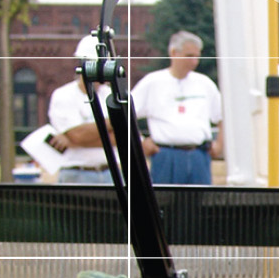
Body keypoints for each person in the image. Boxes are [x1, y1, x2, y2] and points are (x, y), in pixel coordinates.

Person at [47, 35, 155, 184]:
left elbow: (125, 138)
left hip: (110, 174)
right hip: (76, 174)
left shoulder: (112, 94)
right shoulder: (63, 95)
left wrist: (74, 141)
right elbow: (77, 135)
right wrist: (114, 122)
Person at [131, 31, 224, 185]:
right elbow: (126, 115)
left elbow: (222, 118)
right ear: (174, 53)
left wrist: (219, 144)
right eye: (189, 56)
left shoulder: (205, 84)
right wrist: (141, 141)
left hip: (199, 157)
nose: (194, 61)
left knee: (199, 206)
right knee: (165, 204)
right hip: (166, 156)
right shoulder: (153, 82)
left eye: (197, 56)